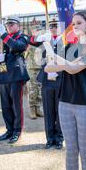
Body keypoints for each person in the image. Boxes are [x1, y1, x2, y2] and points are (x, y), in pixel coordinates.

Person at [44, 11, 86, 170]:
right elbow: (47, 68)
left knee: (85, 152)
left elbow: (74, 68)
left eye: (79, 23)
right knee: (70, 150)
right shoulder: (69, 47)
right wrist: (60, 60)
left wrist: (54, 55)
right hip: (65, 103)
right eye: (73, 23)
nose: (74, 26)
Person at [0, 16, 30, 144]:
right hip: (4, 74)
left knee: (16, 105)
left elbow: (16, 47)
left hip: (15, 75)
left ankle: (17, 131)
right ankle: (9, 129)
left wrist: (4, 34)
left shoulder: (23, 37)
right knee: (6, 106)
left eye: (11, 24)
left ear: (18, 26)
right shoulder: (2, 39)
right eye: (7, 24)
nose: (9, 26)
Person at [32, 18, 64, 150]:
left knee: (60, 110)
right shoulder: (45, 39)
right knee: (48, 110)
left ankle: (59, 138)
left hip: (61, 78)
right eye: (51, 26)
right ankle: (50, 138)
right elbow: (31, 41)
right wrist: (40, 38)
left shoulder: (66, 40)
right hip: (47, 79)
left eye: (56, 26)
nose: (53, 28)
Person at [25, 21, 44, 120]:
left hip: (41, 67)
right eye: (36, 30)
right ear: (32, 31)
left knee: (40, 89)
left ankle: (38, 108)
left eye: (39, 30)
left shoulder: (43, 41)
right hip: (31, 68)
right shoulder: (27, 41)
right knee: (32, 89)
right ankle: (32, 109)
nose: (38, 31)